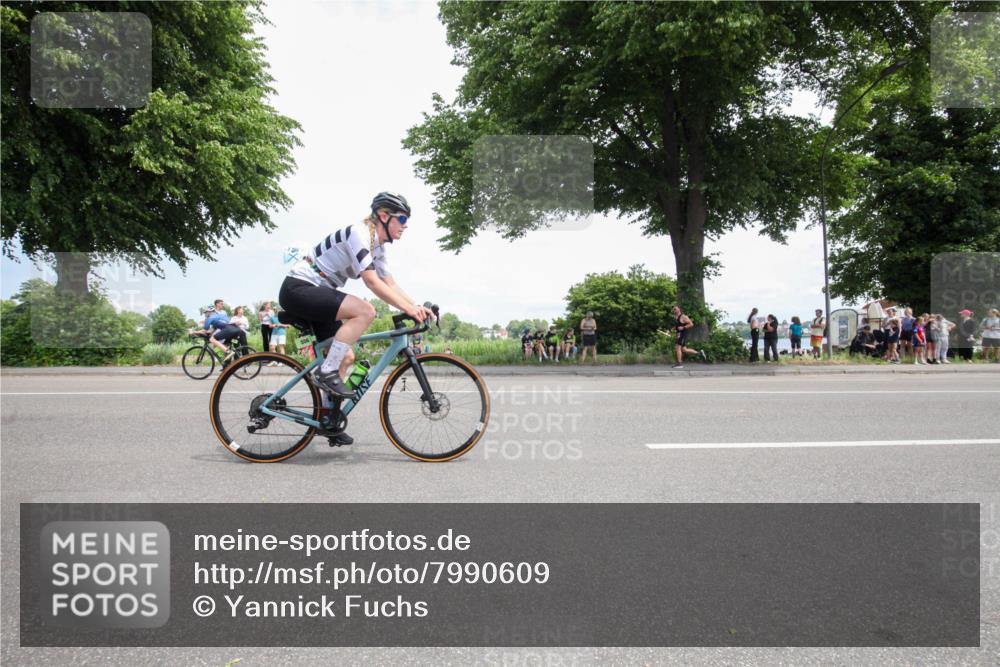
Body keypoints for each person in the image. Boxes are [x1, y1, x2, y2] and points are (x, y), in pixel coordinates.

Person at [278, 192, 433, 445]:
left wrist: (414, 307)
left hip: (319, 290)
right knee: (366, 311)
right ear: (384, 216)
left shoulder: (377, 247)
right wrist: (408, 308)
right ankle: (326, 372)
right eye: (402, 218)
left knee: (346, 357)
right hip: (299, 287)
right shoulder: (359, 233)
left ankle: (328, 419)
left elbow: (389, 283)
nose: (405, 225)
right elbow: (371, 282)